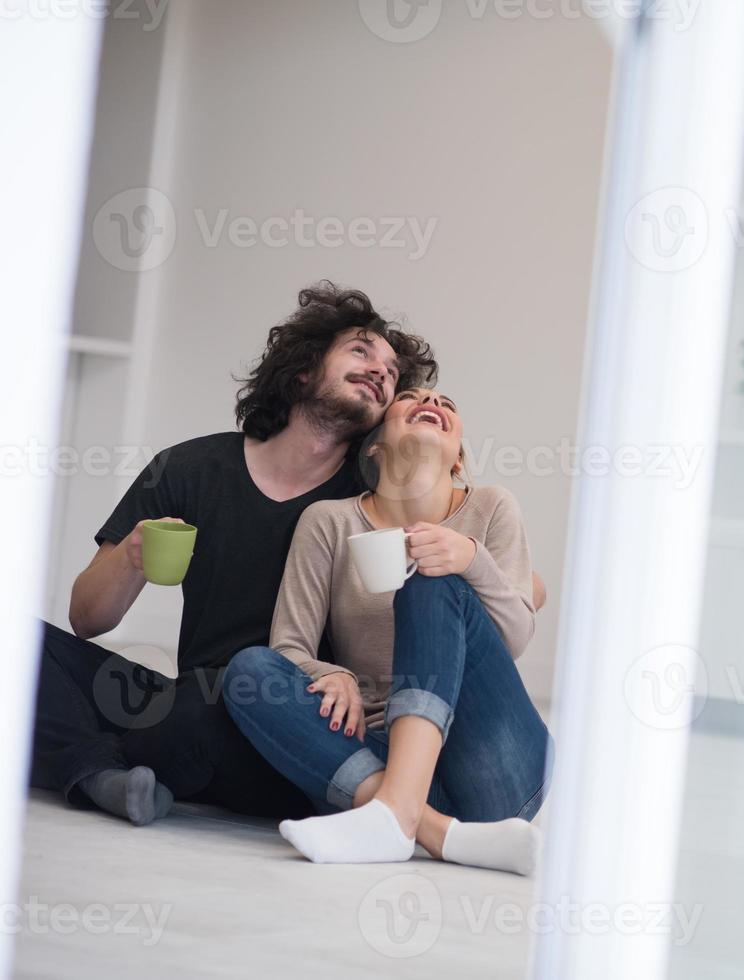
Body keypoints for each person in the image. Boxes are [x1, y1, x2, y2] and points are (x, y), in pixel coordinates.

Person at [28, 282, 437, 825]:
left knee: (202, 707)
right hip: (188, 701)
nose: (381, 371)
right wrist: (131, 555)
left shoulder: (374, 500)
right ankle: (100, 772)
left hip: (296, 719)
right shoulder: (188, 468)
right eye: (361, 351)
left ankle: (96, 763)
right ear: (303, 369)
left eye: (391, 372)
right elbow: (86, 619)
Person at [222, 386, 551, 874]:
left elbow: (516, 637)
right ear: (374, 447)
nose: (433, 404)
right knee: (247, 672)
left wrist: (470, 559)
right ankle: (428, 827)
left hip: (491, 765)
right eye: (413, 399)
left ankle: (395, 815)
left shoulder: (492, 507)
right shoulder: (328, 522)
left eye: (448, 405)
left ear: (458, 457)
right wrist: (332, 673)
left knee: (429, 585)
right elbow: (288, 645)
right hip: (375, 757)